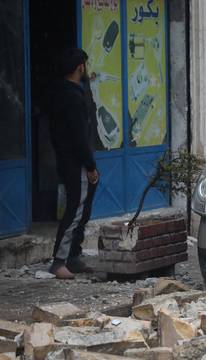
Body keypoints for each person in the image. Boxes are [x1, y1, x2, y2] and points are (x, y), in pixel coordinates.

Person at [48, 48, 99, 279]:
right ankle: (59, 262)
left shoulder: (60, 92)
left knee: (82, 208)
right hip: (76, 162)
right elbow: (78, 137)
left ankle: (73, 257)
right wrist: (90, 166)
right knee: (76, 210)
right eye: (85, 65)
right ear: (80, 67)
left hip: (68, 159)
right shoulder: (72, 96)